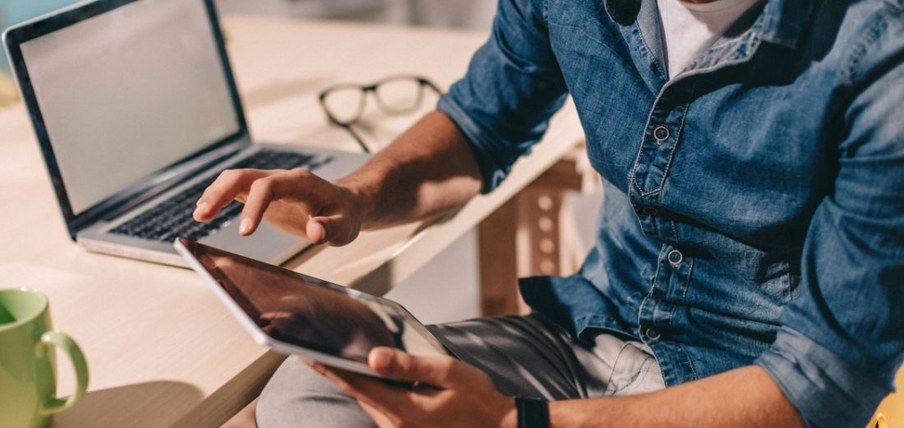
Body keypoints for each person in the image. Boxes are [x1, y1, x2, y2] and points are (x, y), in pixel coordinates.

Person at [192, 0, 904, 426]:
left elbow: (820, 387)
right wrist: (358, 195)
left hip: (741, 390)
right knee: (308, 393)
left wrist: (515, 423)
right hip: (585, 337)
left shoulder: (880, 53)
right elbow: (481, 126)